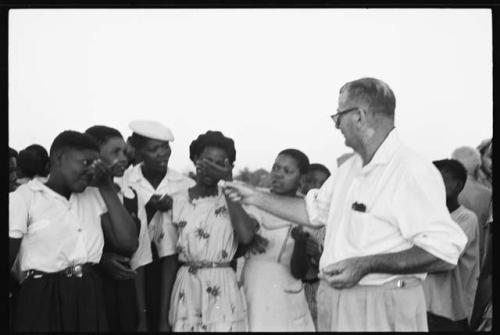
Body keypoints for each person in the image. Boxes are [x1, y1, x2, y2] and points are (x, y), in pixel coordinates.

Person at [223, 77, 467, 331]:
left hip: (383, 303)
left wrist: (366, 265)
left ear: (360, 116)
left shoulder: (410, 170)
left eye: (339, 116)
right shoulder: (350, 168)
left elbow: (444, 252)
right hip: (340, 301)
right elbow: (312, 211)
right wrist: (254, 196)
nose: (337, 124)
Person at [9, 130, 138, 331]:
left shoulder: (94, 196)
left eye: (95, 165)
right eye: (85, 163)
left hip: (88, 292)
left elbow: (128, 241)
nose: (91, 171)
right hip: (42, 294)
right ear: (58, 159)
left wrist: (106, 187)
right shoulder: (25, 197)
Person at [167, 130, 257, 331]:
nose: (211, 168)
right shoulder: (176, 200)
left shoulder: (236, 199)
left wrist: (228, 184)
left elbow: (246, 235)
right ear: (195, 159)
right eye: (206, 161)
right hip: (187, 287)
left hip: (223, 285)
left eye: (219, 164)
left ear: (229, 167)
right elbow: (168, 256)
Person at [123, 120, 195, 331]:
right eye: (154, 149)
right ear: (138, 152)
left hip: (171, 272)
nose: (163, 153)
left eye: (165, 147)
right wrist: (149, 208)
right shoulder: (125, 180)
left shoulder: (185, 184)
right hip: (135, 272)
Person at [241, 148, 315, 331]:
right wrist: (249, 237)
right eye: (276, 168)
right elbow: (242, 238)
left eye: (287, 171)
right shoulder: (255, 198)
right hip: (252, 285)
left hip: (285, 292)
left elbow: (300, 272)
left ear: (301, 179)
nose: (278, 175)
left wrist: (300, 242)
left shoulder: (306, 210)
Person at [85, 125, 143, 331]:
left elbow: (139, 259)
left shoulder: (131, 195)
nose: (124, 158)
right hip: (90, 291)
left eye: (125, 152)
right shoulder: (79, 195)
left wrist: (141, 314)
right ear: (95, 155)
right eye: (115, 152)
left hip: (124, 293)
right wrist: (100, 259)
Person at [422, 159, 480, 331]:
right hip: (423, 309)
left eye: (439, 181)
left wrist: (406, 259)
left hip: (449, 314)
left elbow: (442, 260)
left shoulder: (466, 219)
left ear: (457, 186)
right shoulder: (425, 217)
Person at [294, 162, 331, 330]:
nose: (315, 188)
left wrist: (318, 255)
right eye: (310, 181)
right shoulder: (292, 213)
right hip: (292, 289)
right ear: (301, 181)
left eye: (322, 184)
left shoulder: (333, 220)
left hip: (320, 289)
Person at [451, 146, 492, 262]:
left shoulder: (441, 190)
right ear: (477, 167)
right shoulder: (488, 195)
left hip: (444, 259)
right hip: (474, 261)